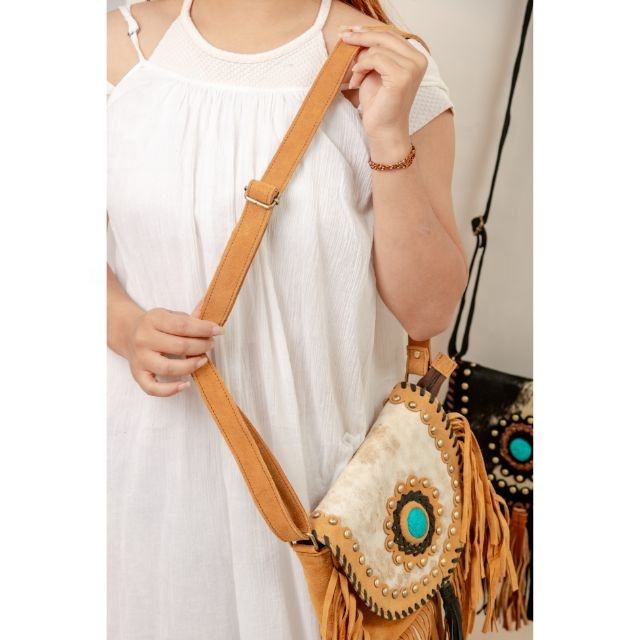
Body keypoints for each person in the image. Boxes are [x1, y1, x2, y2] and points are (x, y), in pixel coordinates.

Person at [107, 0, 467, 637]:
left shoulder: (387, 63)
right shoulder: (117, 50)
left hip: (321, 496)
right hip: (148, 476)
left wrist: (387, 135)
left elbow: (429, 309)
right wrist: (125, 326)